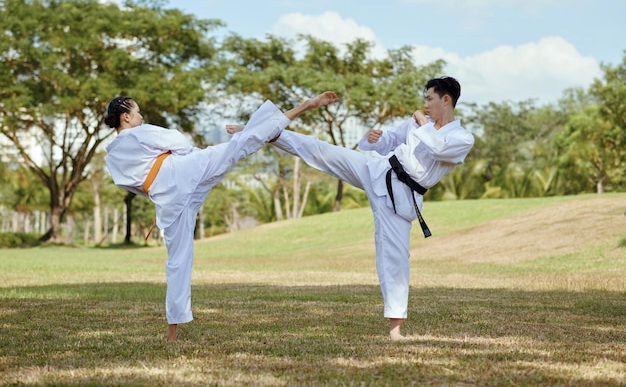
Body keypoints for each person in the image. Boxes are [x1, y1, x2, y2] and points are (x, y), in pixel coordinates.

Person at [231, 77, 474, 340]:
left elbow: (438, 148)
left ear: (446, 99)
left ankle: (396, 329)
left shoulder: (461, 137)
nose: (425, 104)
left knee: (394, 258)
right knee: (320, 150)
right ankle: (262, 131)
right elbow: (392, 139)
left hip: (401, 195)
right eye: (425, 100)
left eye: (430, 99)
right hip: (377, 168)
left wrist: (423, 122)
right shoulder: (417, 124)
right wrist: (376, 138)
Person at [104, 91, 339, 342]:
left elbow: (134, 187)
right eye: (137, 112)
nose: (141, 116)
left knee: (178, 260)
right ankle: (300, 108)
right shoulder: (140, 131)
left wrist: (164, 188)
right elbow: (179, 141)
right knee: (242, 145)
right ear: (126, 117)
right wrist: (182, 160)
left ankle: (172, 333)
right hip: (187, 170)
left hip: (168, 197)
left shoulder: (112, 156)